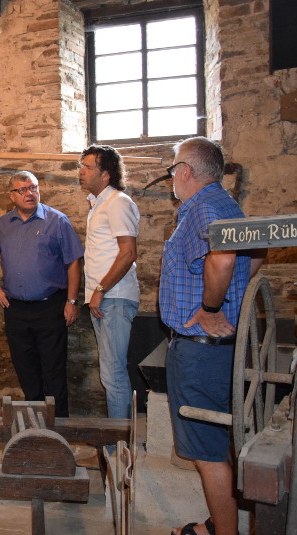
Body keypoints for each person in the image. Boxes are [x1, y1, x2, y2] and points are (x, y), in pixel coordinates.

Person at [160, 137, 263, 535]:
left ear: (185, 170)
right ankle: (220, 523)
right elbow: (256, 253)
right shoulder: (225, 203)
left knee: (207, 453)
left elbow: (221, 258)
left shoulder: (202, 208)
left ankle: (225, 533)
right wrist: (232, 291)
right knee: (221, 444)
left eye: (173, 169)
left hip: (200, 352)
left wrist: (212, 308)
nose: (173, 176)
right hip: (217, 351)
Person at [0, 170, 84, 417]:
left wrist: (72, 300)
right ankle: (35, 424)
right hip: (15, 309)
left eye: (33, 188)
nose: (30, 194)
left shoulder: (57, 221)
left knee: (53, 369)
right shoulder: (2, 225)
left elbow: (73, 262)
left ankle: (58, 426)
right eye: (22, 190)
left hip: (51, 307)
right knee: (25, 368)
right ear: (11, 196)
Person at [78, 145, 140, 420]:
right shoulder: (98, 206)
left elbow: (128, 252)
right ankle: (118, 439)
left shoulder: (118, 202)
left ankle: (119, 446)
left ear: (106, 174)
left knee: (113, 374)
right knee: (109, 373)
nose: (81, 172)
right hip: (103, 298)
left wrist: (101, 290)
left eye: (87, 167)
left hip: (114, 297)